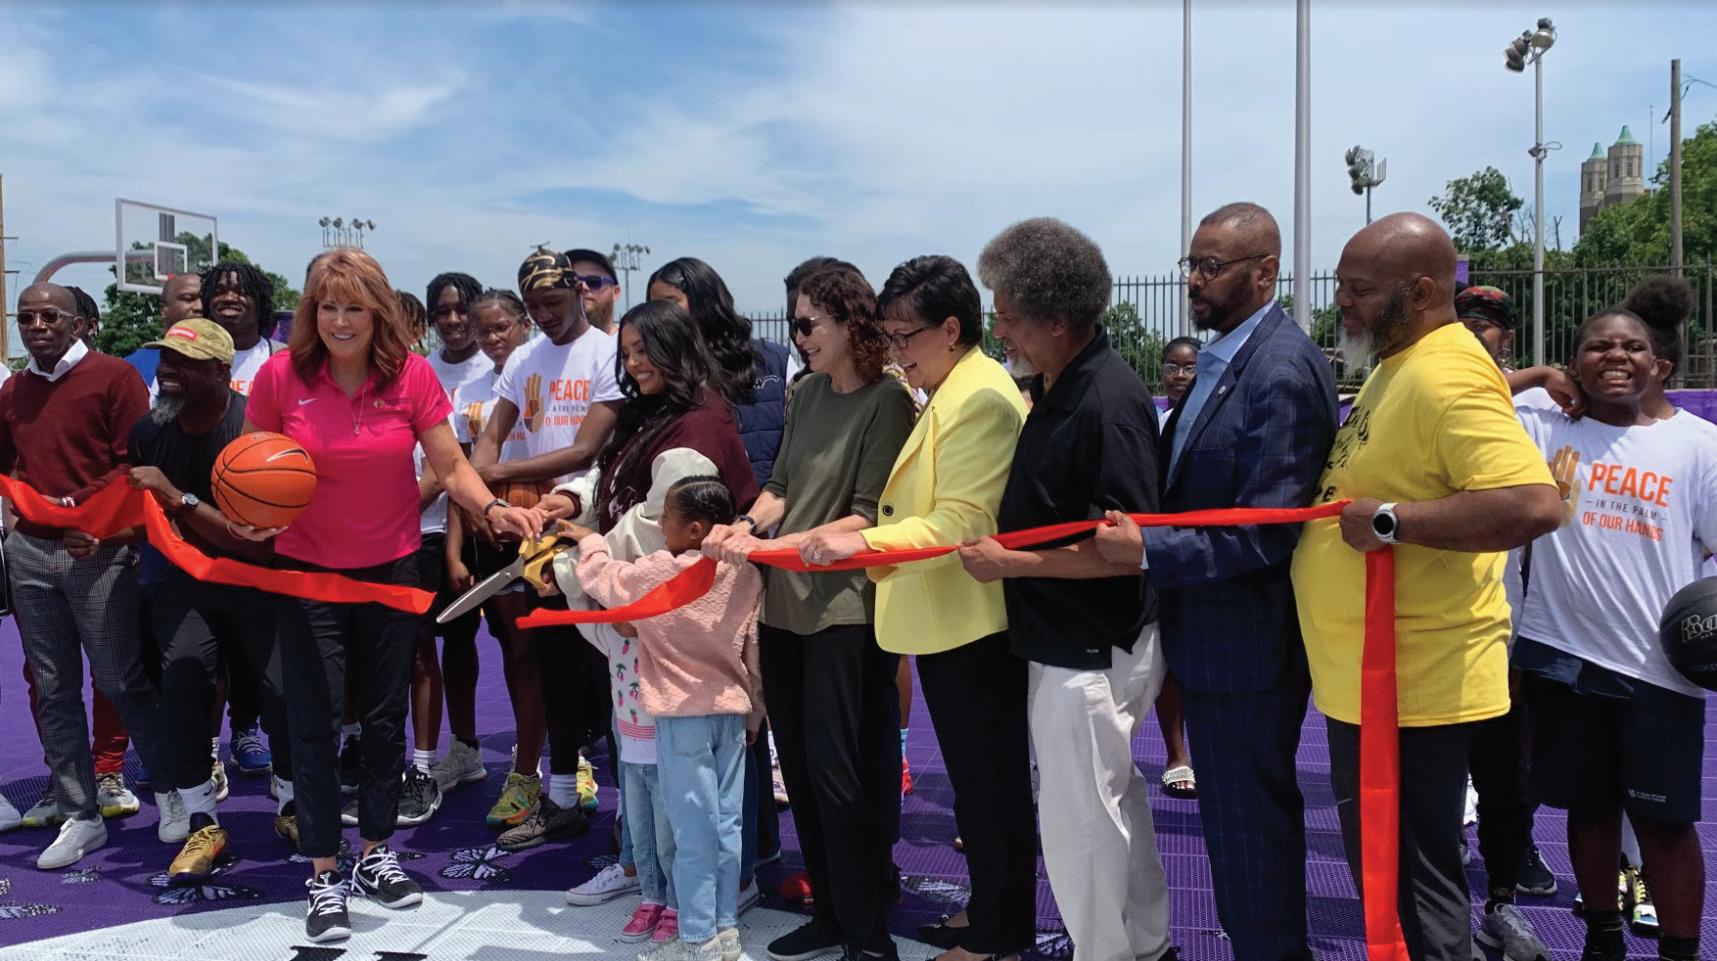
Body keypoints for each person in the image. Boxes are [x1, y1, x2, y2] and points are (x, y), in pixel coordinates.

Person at [244, 248, 542, 943]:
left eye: (354, 306)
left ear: (378, 312)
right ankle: (324, 872)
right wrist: (249, 513)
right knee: (316, 724)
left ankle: (376, 852)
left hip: (392, 569)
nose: (340, 320)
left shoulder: (410, 375)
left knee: (384, 720)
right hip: (309, 574)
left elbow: (451, 465)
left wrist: (492, 509)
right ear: (312, 312)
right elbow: (252, 468)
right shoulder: (280, 377)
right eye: (328, 306)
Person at [1290, 213, 1561, 961]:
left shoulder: (1446, 372)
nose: (1342, 304)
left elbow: (1533, 503)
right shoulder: (1399, 361)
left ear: (1419, 292)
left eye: (1358, 289)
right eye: (1340, 287)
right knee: (1392, 876)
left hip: (1411, 683)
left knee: (1412, 882)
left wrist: (1389, 521)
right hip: (1374, 681)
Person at [1090, 202, 1337, 961]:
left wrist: (1147, 550)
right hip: (1214, 637)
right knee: (1235, 830)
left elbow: (1265, 527)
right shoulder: (1228, 358)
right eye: (1190, 264)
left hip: (1246, 645)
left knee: (1249, 827)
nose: (1194, 280)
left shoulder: (1280, 369)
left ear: (1265, 272)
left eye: (1211, 266)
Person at [798, 254, 1035, 961]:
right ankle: (988, 909)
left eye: (905, 336)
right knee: (975, 780)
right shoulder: (953, 387)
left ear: (951, 329)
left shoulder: (979, 397)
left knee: (989, 784)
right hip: (950, 617)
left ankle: (998, 934)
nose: (895, 351)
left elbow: (962, 522)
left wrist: (861, 542)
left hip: (973, 622)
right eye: (890, 335)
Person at [956, 218, 1171, 961]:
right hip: (1072, 641)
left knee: (1081, 822)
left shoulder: (1104, 401)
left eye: (1008, 315)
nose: (999, 331)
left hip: (1088, 647)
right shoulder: (1063, 386)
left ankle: (1107, 951)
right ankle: (1143, 944)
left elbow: (1124, 552)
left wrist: (1012, 564)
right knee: (1109, 804)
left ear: (1056, 318)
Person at [704, 266, 914, 961]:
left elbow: (870, 512)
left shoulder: (888, 399)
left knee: (840, 771)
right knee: (797, 764)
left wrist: (773, 544)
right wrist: (746, 526)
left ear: (851, 323)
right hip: (785, 606)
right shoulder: (806, 392)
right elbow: (781, 487)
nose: (796, 338)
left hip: (845, 611)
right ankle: (830, 912)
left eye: (806, 324)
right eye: (793, 325)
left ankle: (866, 931)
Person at [1511, 299, 1708, 961]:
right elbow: (1461, 392)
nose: (1616, 356)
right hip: (1559, 654)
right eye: (1598, 346)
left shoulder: (1697, 444)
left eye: (1632, 347)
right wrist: (1538, 375)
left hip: (1658, 666)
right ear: (1575, 364)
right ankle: (1601, 939)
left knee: (1664, 823)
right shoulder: (1542, 424)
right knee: (1588, 810)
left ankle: (1680, 951)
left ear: (1659, 364)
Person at [0, 283, 176, 871]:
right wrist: (21, 517)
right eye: (26, 317)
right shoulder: (13, 391)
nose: (36, 325)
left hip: (98, 549)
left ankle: (174, 791)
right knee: (52, 686)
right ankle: (79, 813)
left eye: (49, 316)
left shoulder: (115, 378)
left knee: (121, 677)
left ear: (77, 324)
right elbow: (9, 463)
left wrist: (84, 513)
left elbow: (134, 463)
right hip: (31, 552)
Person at [124, 319, 296, 881]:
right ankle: (201, 817)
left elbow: (259, 542)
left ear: (222, 372)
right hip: (184, 581)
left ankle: (293, 803)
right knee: (183, 679)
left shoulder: (255, 431)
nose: (168, 372)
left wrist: (178, 497)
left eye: (184, 364)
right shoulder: (149, 431)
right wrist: (94, 532)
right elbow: (144, 515)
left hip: (259, 578)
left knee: (281, 690)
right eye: (165, 360)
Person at [568, 477, 764, 961]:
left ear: (694, 529)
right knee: (727, 825)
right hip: (731, 712)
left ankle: (696, 940)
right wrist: (756, 713)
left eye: (666, 518)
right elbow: (755, 651)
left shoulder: (659, 571)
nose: (659, 525)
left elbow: (603, 578)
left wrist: (589, 540)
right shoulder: (745, 573)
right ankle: (724, 929)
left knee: (692, 829)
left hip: (681, 717)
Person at [471, 248, 624, 835]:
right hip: (540, 534)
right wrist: (482, 498)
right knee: (553, 661)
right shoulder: (523, 358)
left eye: (554, 301)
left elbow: (586, 450)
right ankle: (560, 793)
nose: (544, 315)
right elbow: (490, 439)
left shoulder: (608, 352)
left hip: (597, 525)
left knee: (605, 667)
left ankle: (627, 812)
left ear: (579, 294)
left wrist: (498, 475)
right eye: (533, 306)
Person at [647, 256, 787, 887]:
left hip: (761, 539)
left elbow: (781, 454)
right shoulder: (675, 375)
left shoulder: (769, 362)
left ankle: (749, 852)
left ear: (704, 301)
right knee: (724, 704)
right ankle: (742, 847)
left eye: (672, 303)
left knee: (750, 699)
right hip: (703, 550)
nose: (663, 317)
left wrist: (760, 523)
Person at [433, 290, 535, 808]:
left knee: (529, 650)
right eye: (484, 330)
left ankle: (536, 755)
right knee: (481, 642)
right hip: (482, 535)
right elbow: (460, 473)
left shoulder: (538, 376)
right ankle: (477, 748)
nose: (493, 338)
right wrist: (455, 550)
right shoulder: (468, 392)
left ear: (523, 324)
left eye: (502, 327)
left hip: (532, 527)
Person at [1153, 334, 1201, 802]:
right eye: (1172, 366)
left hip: (1203, 552)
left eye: (1189, 367)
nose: (1180, 375)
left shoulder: (1212, 420)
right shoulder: (1153, 424)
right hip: (1159, 552)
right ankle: (1176, 754)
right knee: (1165, 656)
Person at [123, 272, 204, 386]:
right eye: (188, 299)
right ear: (163, 310)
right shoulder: (131, 368)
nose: (200, 307)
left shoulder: (223, 363)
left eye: (205, 299)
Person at [425, 272, 491, 397]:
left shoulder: (499, 368)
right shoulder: (424, 372)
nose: (453, 320)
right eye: (443, 311)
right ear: (431, 317)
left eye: (463, 310)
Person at [566, 248, 623, 334]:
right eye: (574, 281)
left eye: (594, 282)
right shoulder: (547, 341)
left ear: (615, 292)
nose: (583, 287)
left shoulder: (626, 341)